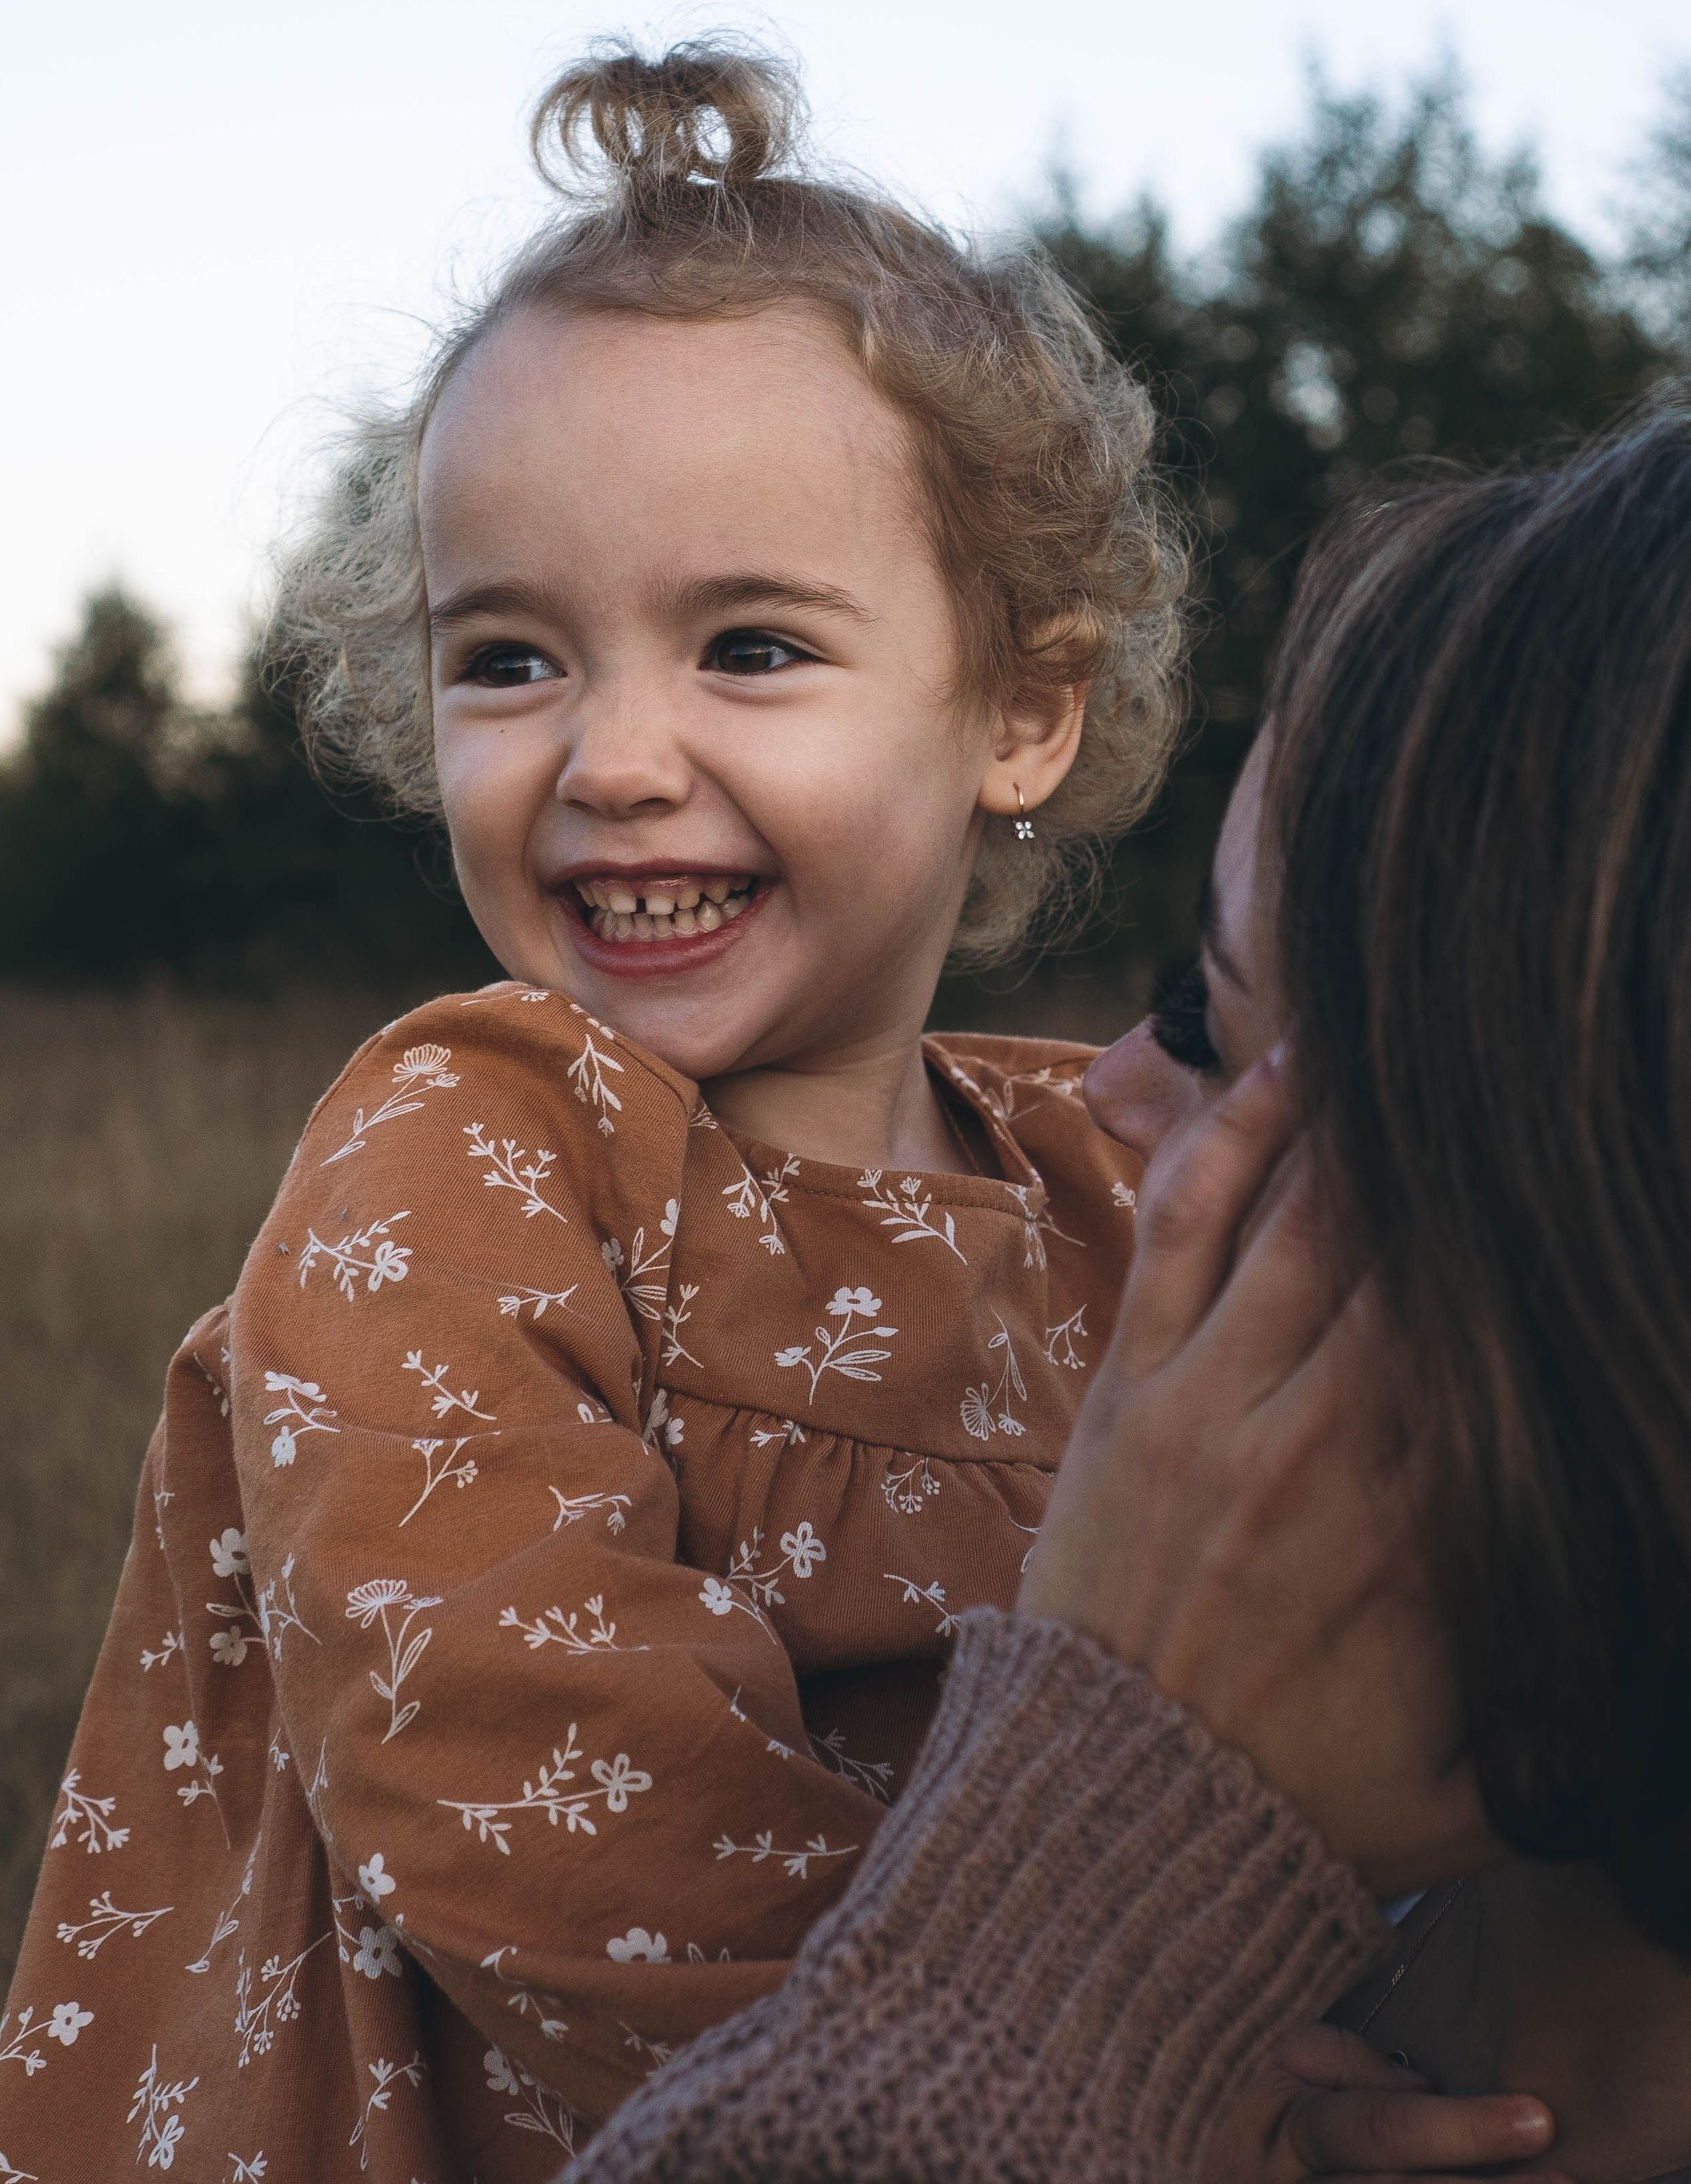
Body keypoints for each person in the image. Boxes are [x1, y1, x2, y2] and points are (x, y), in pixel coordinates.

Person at [0, 40, 1181, 2181]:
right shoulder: (472, 1150)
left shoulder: (1117, 1179)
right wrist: (1110, 2086)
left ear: (1022, 708)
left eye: (751, 649)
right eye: (511, 659)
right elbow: (534, 1786)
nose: (611, 761)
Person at [417, 403, 1691, 2184]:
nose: (1118, 1099)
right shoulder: (465, 1147)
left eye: (1208, 1026)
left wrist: (1067, 1941)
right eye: (502, 658)